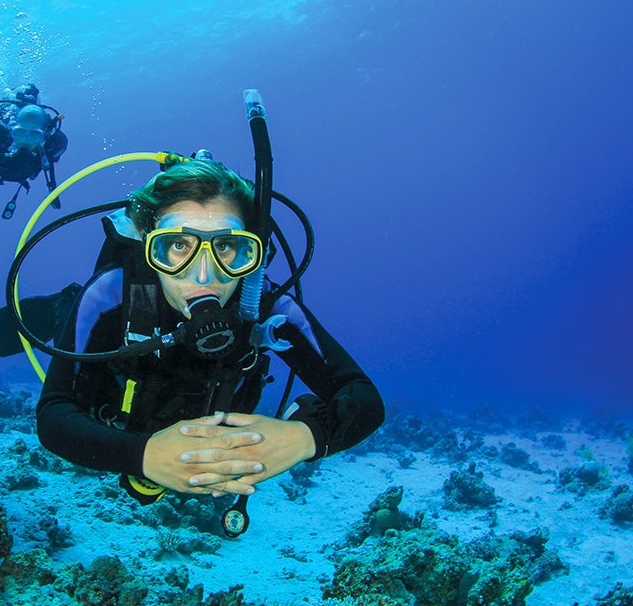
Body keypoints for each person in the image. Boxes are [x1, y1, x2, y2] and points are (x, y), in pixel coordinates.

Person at [34, 158, 384, 509]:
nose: (203, 277)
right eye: (178, 245)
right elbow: (53, 415)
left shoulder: (263, 306)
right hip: (121, 411)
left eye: (226, 246)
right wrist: (142, 455)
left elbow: (363, 397)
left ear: (251, 251)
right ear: (148, 245)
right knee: (70, 316)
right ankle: (61, 305)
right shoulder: (111, 294)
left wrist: (305, 437)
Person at [0, 83, 69, 219]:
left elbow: (55, 154)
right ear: (11, 129)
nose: (26, 140)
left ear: (44, 135)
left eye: (34, 135)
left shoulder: (53, 144)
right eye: (20, 132)